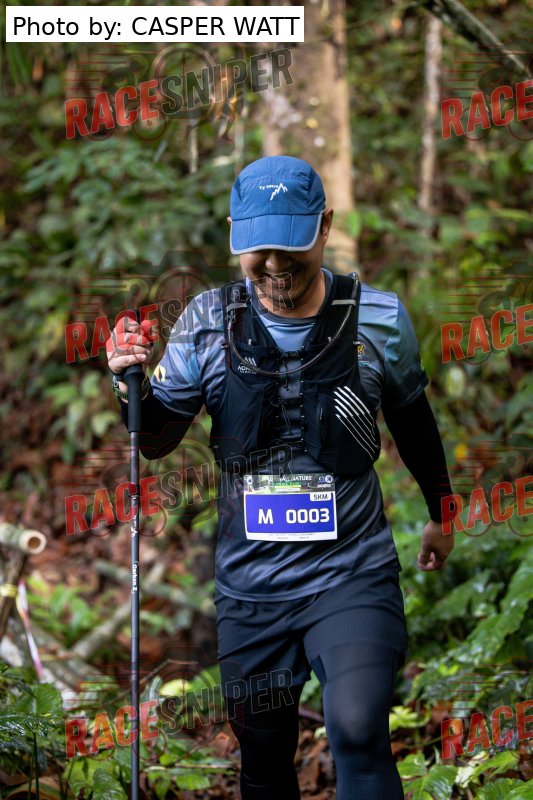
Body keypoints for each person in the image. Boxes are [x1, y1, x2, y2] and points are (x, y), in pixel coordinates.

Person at [107, 155, 454, 800]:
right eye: (258, 248)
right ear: (235, 235)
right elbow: (154, 439)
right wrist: (128, 382)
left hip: (351, 572)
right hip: (251, 586)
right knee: (264, 758)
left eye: (289, 246)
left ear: (325, 226)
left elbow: (414, 420)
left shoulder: (378, 318)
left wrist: (442, 512)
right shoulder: (207, 324)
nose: (273, 265)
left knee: (358, 730)